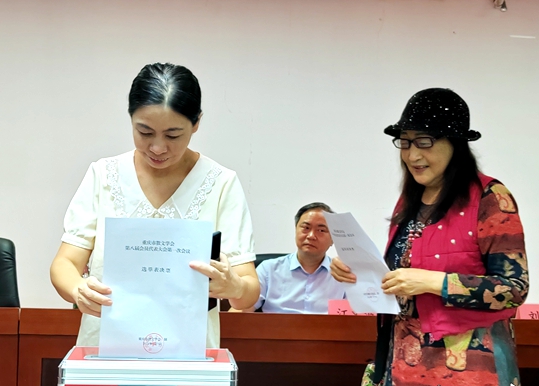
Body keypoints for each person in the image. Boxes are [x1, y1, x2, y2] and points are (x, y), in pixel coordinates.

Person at [332, 88, 529, 386]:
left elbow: (513, 289)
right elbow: (405, 284)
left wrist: (434, 282)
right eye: (405, 142)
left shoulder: (491, 198)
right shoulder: (411, 201)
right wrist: (363, 275)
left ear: (456, 144)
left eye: (424, 142)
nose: (412, 155)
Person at [50, 62, 260, 348]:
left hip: (189, 349)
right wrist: (78, 289)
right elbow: (65, 263)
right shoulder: (104, 175)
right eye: (145, 132)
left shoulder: (221, 183)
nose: (158, 148)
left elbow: (249, 289)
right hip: (106, 344)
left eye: (173, 135)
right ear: (131, 119)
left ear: (196, 123)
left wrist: (234, 286)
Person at [252, 202, 346, 314]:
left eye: (321, 230)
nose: (311, 236)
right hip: (277, 326)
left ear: (333, 239)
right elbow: (242, 309)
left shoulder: (343, 275)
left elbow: (358, 316)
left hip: (327, 326)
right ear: (296, 230)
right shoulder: (268, 270)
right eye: (306, 228)